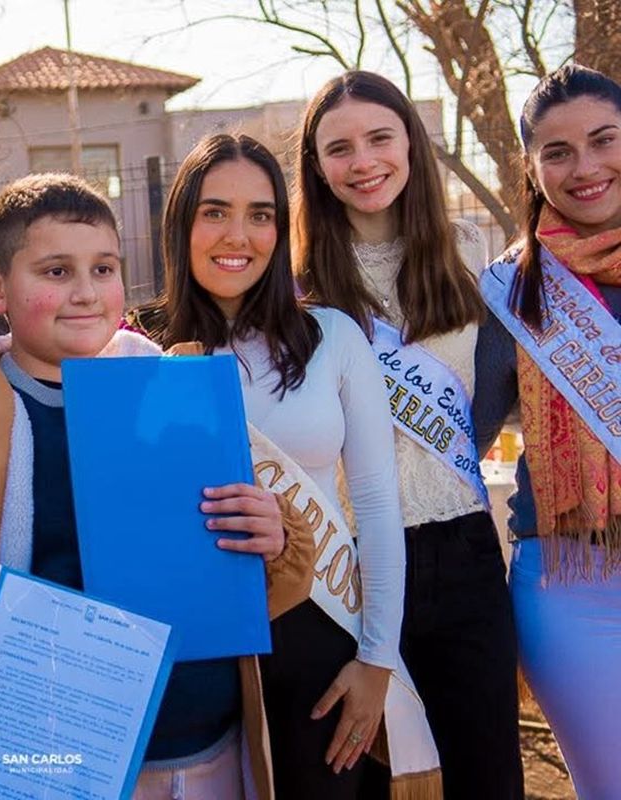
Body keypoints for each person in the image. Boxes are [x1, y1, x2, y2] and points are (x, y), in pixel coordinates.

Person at [0, 172, 318, 799]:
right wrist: (17, 674)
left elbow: (269, 581)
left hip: (209, 748)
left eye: (104, 269)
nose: (85, 293)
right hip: (54, 760)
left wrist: (273, 537)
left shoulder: (174, 391)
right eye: (55, 272)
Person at [147, 132, 433, 799]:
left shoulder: (332, 336)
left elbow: (377, 503)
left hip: (318, 642)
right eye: (214, 211)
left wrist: (376, 658)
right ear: (181, 222)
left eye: (261, 213)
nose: (237, 235)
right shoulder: (136, 344)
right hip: (191, 658)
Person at [294, 70, 522, 799]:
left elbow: (487, 397)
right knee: (356, 776)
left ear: (412, 146)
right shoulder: (296, 285)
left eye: (379, 138)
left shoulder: (465, 250)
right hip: (345, 563)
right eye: (339, 149)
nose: (363, 162)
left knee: (488, 775)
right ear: (317, 168)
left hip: (462, 550)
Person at [473, 63, 621, 800]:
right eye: (557, 152)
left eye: (604, 140)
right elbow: (455, 442)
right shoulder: (510, 292)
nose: (585, 167)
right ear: (532, 168)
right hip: (574, 591)